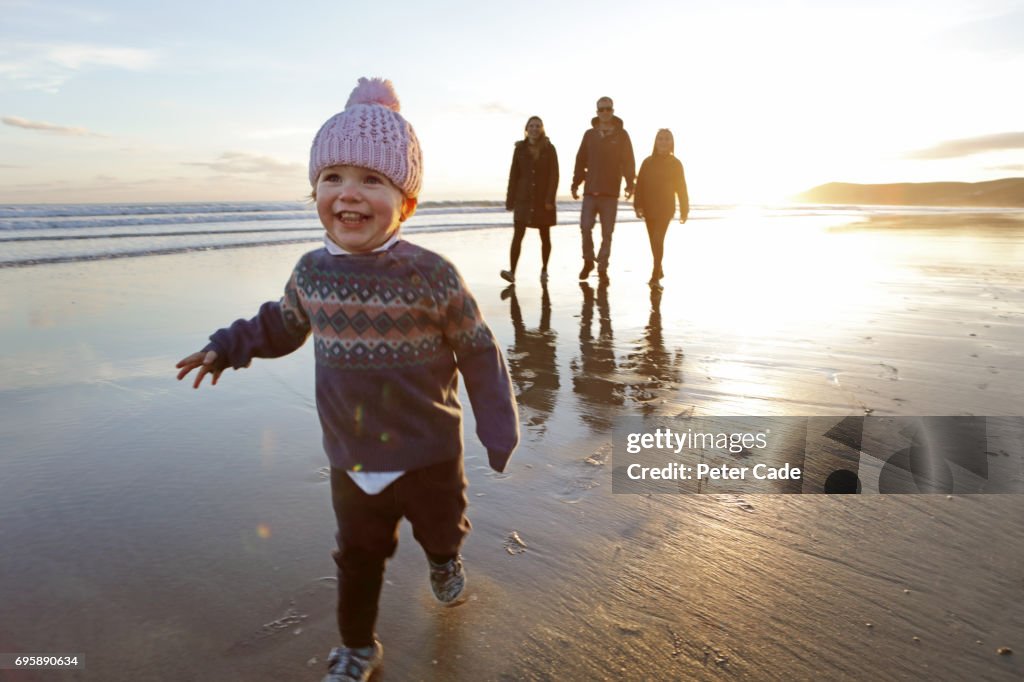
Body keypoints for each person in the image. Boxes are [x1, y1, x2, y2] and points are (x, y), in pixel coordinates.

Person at [175, 77, 519, 682]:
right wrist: (227, 347)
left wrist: (497, 425)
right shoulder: (311, 273)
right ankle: (358, 647)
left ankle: (444, 560)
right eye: (332, 178)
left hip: (432, 453)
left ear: (405, 202)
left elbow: (478, 351)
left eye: (371, 180)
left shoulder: (432, 275)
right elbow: (281, 325)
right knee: (358, 557)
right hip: (353, 457)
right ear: (314, 193)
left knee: (442, 527)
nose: (349, 194)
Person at [570, 96, 636, 282]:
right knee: (585, 228)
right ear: (597, 112)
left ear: (613, 111)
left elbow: (628, 161)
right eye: (602, 109)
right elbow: (580, 160)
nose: (605, 112)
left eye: (608, 109)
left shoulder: (622, 135)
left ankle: (602, 268)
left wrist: (630, 183)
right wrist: (575, 184)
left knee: (607, 233)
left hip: (610, 193)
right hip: (590, 191)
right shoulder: (589, 135)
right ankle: (588, 261)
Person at [502, 116, 559, 283]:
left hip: (543, 200)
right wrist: (510, 199)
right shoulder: (519, 149)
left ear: (542, 129)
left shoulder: (549, 149)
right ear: (526, 129)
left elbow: (554, 175)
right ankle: (512, 272)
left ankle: (544, 269)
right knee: (518, 235)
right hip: (523, 199)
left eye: (538, 126)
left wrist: (550, 198)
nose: (534, 128)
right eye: (531, 126)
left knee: (545, 236)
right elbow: (514, 175)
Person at [634, 128, 689, 286]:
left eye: (667, 139)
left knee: (658, 239)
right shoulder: (647, 162)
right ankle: (659, 268)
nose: (663, 141)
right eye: (660, 138)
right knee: (653, 241)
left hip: (665, 208)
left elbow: (682, 188)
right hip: (649, 207)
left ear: (672, 143)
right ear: (655, 142)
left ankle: (655, 275)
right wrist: (638, 206)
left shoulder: (676, 164)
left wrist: (684, 210)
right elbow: (640, 186)